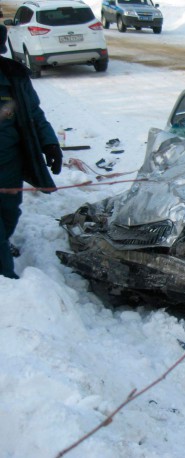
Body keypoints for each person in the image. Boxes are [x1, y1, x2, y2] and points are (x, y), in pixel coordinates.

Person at [0, 24, 62, 278]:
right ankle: (8, 283)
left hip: (8, 163)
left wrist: (50, 143)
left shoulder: (13, 76)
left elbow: (33, 113)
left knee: (9, 212)